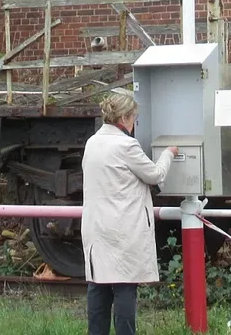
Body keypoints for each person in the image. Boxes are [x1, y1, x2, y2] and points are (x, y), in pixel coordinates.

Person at [79, 89, 177, 335]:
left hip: (96, 227)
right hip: (123, 228)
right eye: (134, 118)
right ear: (124, 118)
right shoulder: (127, 145)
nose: (135, 123)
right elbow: (155, 175)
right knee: (124, 286)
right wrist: (169, 153)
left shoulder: (92, 143)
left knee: (98, 285)